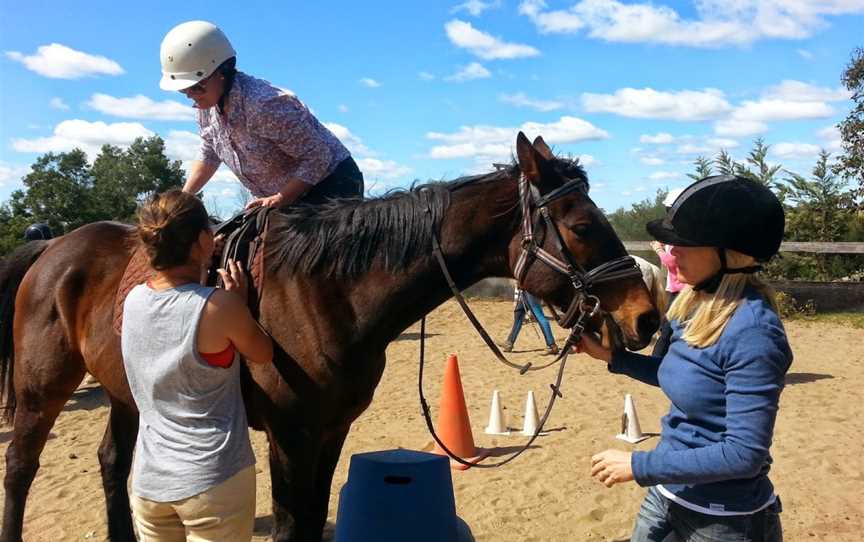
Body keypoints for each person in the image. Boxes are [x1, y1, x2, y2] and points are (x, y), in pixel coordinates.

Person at [576, 175, 792, 542]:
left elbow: (744, 453)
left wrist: (638, 464)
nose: (671, 254)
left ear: (730, 251)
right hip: (667, 493)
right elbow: (685, 377)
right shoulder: (694, 305)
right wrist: (615, 358)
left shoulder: (754, 331)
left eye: (684, 244)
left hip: (723, 518)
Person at [121, 189, 274, 542]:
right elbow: (262, 352)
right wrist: (239, 303)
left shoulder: (133, 300)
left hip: (149, 482)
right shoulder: (219, 306)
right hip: (212, 480)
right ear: (205, 239)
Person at [159, 21, 364, 209]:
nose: (190, 96)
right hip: (281, 199)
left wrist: (282, 198)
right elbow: (210, 152)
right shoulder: (206, 108)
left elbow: (318, 157)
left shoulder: (263, 105)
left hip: (333, 186)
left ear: (222, 71)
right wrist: (183, 200)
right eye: (183, 90)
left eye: (196, 87)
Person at [650, 187, 685, 357]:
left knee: (668, 328)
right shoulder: (676, 233)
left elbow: (672, 262)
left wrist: (658, 250)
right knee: (669, 327)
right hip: (676, 289)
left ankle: (656, 360)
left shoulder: (681, 234)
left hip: (681, 290)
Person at [500, 287, 559, 355]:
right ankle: (509, 343)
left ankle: (552, 345)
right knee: (519, 313)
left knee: (539, 316)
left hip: (530, 289)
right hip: (525, 291)